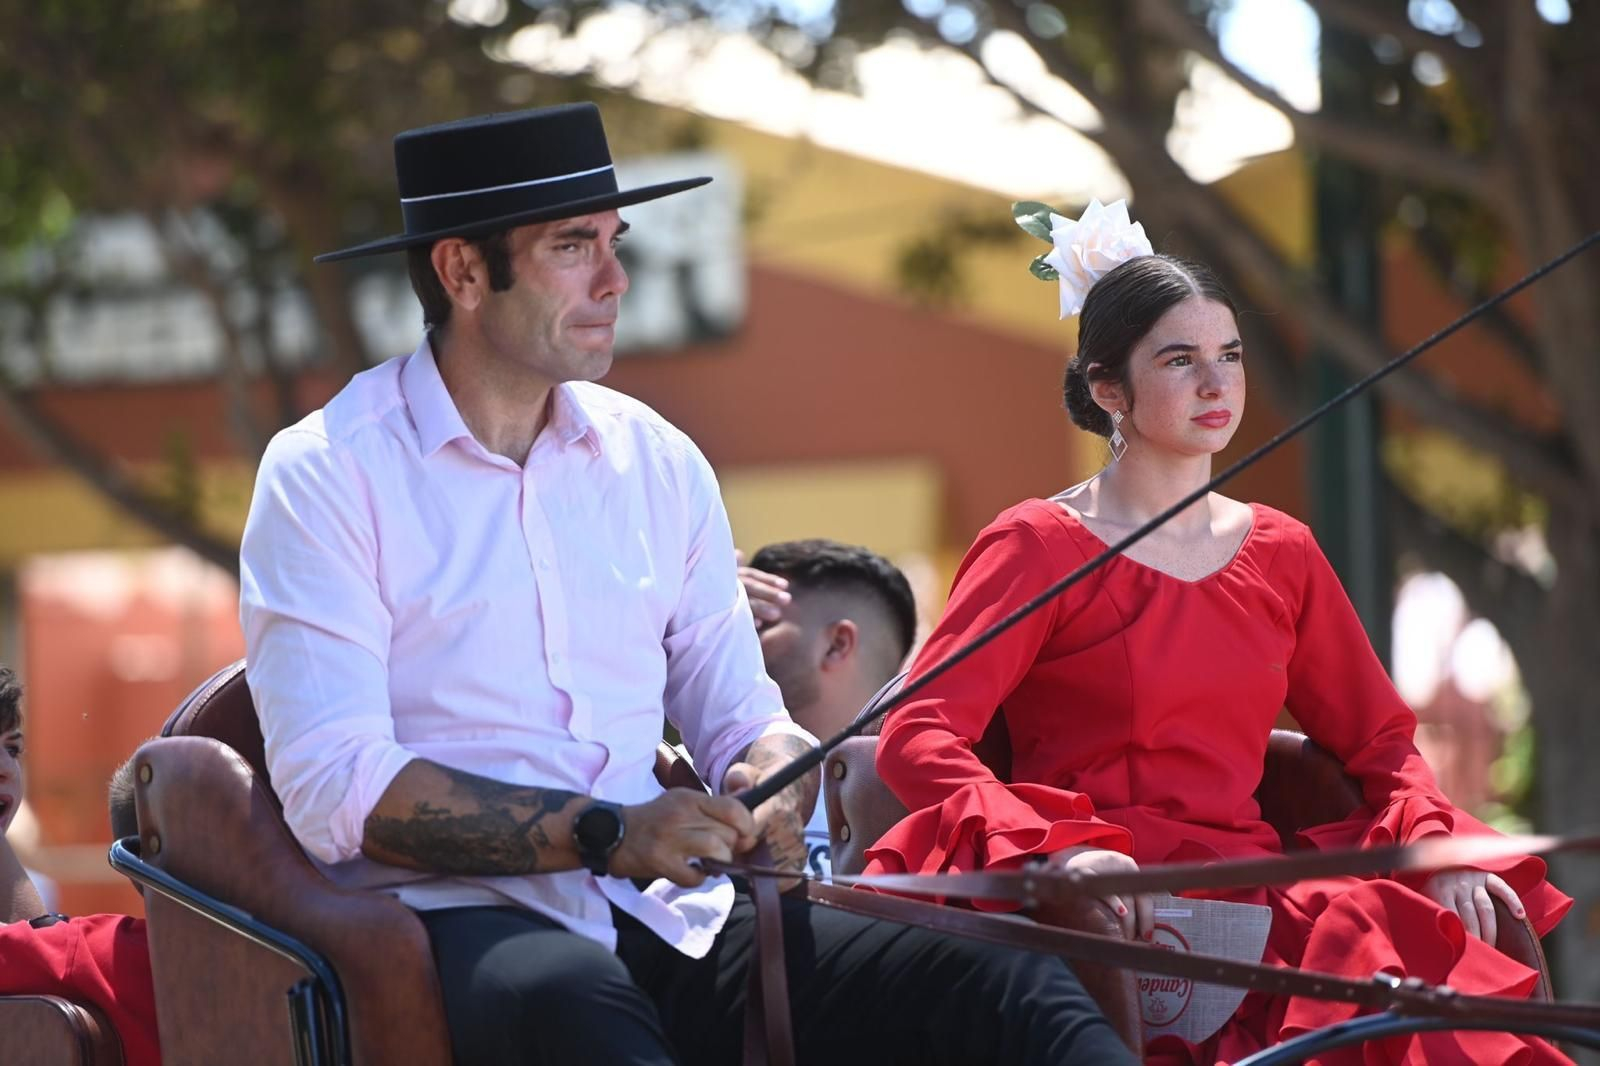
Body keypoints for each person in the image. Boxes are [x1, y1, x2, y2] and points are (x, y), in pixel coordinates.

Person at [239, 103, 1133, 1066]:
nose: (618, 279)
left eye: (614, 242)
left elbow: (744, 715)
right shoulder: (328, 469)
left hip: (671, 909)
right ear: (462, 270)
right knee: (581, 1009)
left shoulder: (657, 462)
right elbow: (337, 788)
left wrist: (776, 782)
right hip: (450, 927)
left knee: (1001, 976)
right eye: (574, 246)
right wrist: (606, 832)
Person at [865, 200, 1573, 1065]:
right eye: (1180, 360)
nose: (1217, 384)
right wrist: (1056, 855)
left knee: (1391, 948)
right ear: (1105, 388)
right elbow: (919, 730)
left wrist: (1440, 846)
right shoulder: (1037, 542)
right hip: (1092, 901)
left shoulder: (1283, 552)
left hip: (1263, 908)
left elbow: (1382, 744)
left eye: (1230, 356)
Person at [0, 670, 159, 1066]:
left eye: (13, 749)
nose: (6, 767)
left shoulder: (115, 956)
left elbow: (44, 942)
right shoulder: (310, 935)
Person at [739, 539, 916, 879]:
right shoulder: (683, 772)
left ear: (837, 644)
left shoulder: (926, 796)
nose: (731, 639)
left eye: (755, 622)